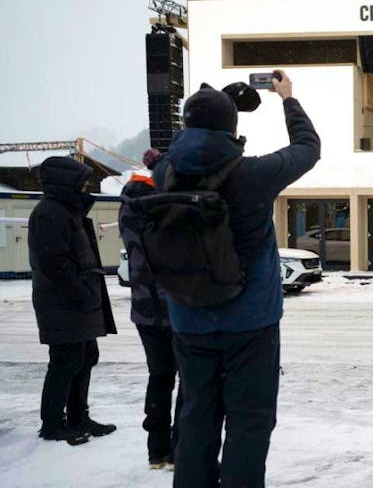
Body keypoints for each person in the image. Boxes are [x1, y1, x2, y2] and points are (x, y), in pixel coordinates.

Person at [153, 70, 320, 487]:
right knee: (249, 422)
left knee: (195, 418)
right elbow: (307, 147)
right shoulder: (252, 176)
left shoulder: (164, 173)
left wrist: (217, 111)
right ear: (231, 128)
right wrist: (288, 99)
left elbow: (190, 145)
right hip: (251, 323)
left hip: (189, 319)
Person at [29, 156, 118, 446]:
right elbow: (53, 261)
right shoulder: (49, 213)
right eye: (81, 182)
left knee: (85, 358)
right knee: (65, 362)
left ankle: (79, 415)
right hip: (64, 304)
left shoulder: (67, 211)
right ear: (65, 183)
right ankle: (53, 424)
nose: (85, 187)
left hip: (78, 304)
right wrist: (80, 292)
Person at [118, 149, 183, 470]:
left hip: (145, 310)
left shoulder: (128, 205)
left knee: (159, 378)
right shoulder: (164, 205)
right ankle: (177, 449)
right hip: (176, 309)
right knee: (189, 380)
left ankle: (156, 450)